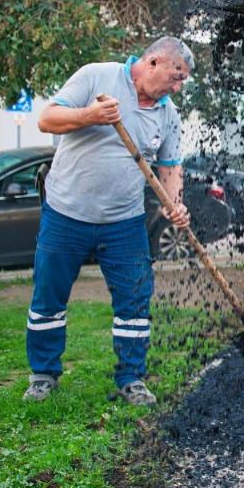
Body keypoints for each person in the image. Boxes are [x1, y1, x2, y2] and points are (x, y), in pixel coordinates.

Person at [23, 37, 194, 405]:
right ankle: (43, 374)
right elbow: (46, 119)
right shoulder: (96, 76)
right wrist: (90, 116)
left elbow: (170, 166)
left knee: (135, 299)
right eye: (175, 76)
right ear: (152, 63)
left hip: (124, 221)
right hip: (67, 213)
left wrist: (174, 203)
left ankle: (131, 377)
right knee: (49, 295)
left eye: (182, 82)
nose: (177, 87)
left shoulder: (168, 114)